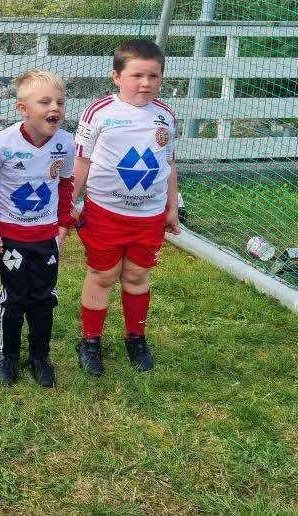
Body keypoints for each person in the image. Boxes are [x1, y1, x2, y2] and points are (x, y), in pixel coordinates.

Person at [72, 39, 181, 376]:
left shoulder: (165, 116)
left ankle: (136, 337)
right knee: (103, 275)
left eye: (154, 76)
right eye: (137, 75)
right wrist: (69, 203)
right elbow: (82, 161)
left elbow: (168, 164)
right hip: (106, 213)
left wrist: (172, 206)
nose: (146, 83)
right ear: (116, 76)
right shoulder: (99, 113)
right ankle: (90, 341)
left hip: (148, 216)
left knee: (136, 275)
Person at [0, 69, 74, 388]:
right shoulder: (0, 145)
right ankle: (7, 355)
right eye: (45, 102)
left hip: (46, 237)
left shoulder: (65, 144)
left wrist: (63, 223)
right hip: (11, 238)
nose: (55, 108)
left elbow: (66, 183)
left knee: (44, 297)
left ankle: (40, 356)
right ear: (23, 109)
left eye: (60, 102)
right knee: (15, 297)